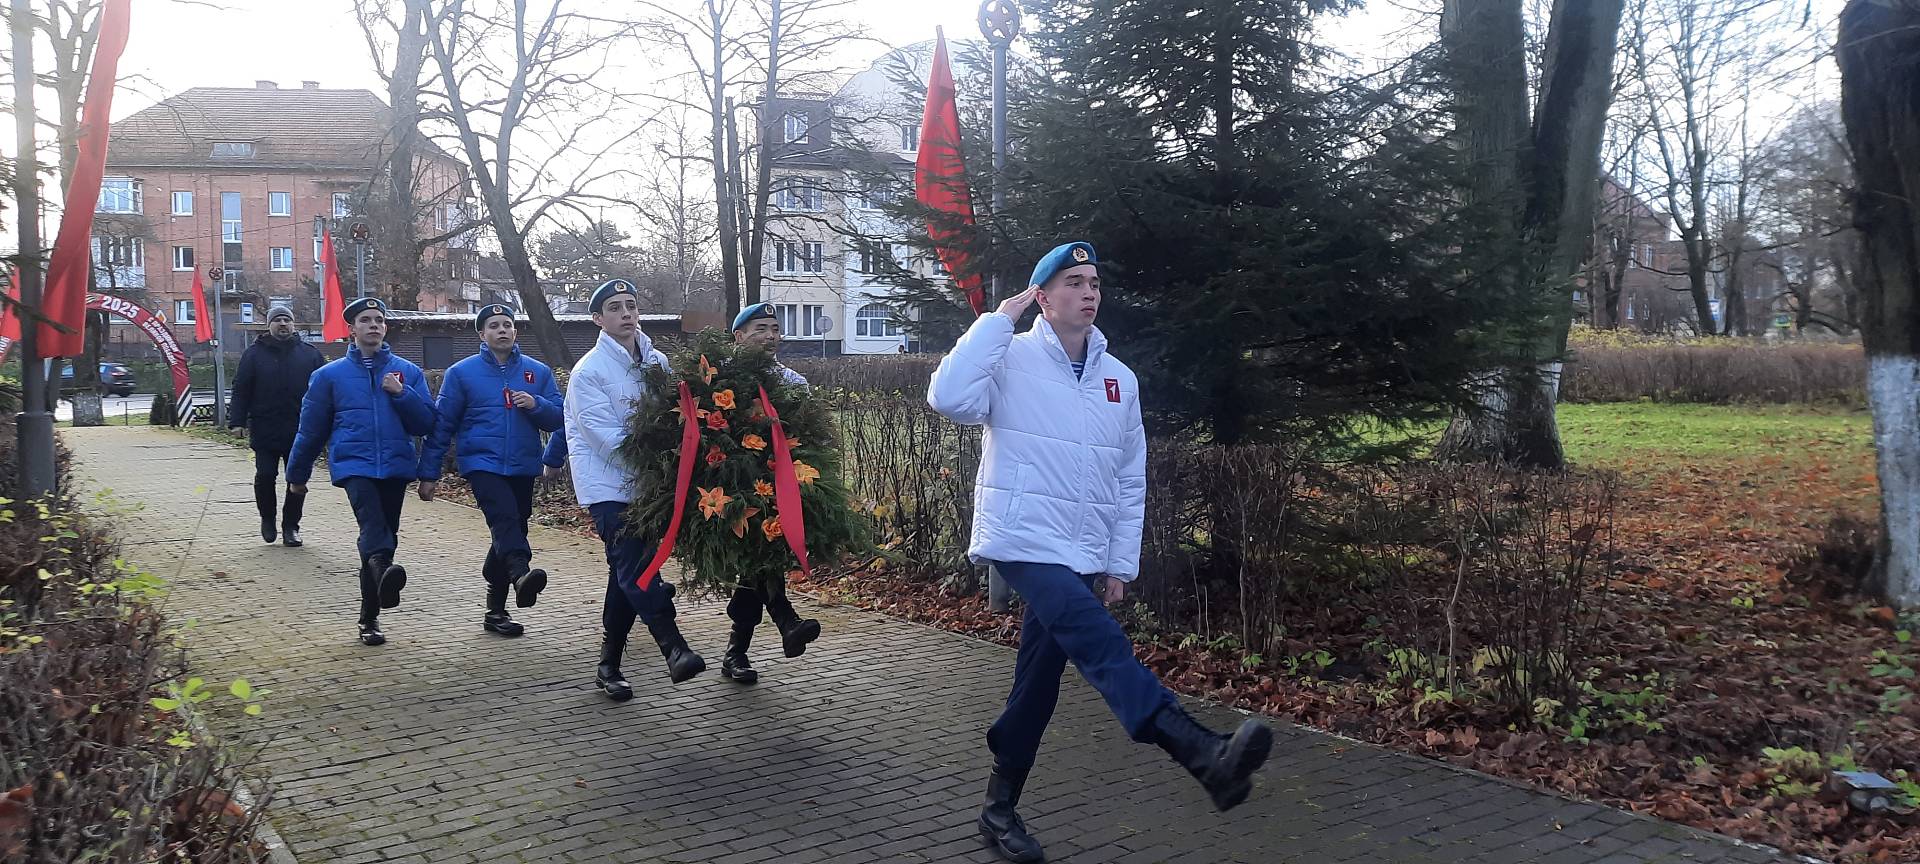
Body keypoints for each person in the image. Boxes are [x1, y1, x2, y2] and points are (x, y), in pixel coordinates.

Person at [928, 242, 1274, 863]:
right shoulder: (1008, 356)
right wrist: (997, 321)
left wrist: (1118, 560)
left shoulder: (1120, 379)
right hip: (1023, 537)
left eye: (1093, 282)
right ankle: (1198, 750)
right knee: (1100, 642)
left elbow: (1128, 476)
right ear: (1042, 296)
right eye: (1073, 281)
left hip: (1081, 549)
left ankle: (998, 811)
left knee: (1037, 686)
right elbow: (948, 399)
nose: (1089, 292)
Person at [567, 278, 705, 698]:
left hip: (649, 485)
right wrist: (660, 461)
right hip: (609, 487)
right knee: (638, 568)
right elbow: (605, 438)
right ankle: (674, 647)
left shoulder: (656, 360)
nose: (626, 313)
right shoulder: (588, 372)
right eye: (614, 308)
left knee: (624, 576)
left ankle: (608, 665)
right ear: (598, 319)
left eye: (630, 305)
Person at [287, 297, 437, 647]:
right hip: (354, 465)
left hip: (396, 465)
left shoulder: (407, 372)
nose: (374, 325)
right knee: (372, 528)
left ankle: (370, 616)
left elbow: (425, 423)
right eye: (366, 320)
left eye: (379, 320)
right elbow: (310, 431)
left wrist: (402, 394)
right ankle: (382, 575)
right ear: (351, 329)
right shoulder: (329, 376)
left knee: (383, 538)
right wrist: (297, 474)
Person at [417, 304, 564, 637]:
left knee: (512, 528)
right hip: (481, 462)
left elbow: (559, 418)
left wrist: (536, 405)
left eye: (507, 324)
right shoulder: (461, 373)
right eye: (494, 326)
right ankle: (521, 573)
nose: (502, 330)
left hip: (523, 464)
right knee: (505, 519)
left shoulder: (537, 372)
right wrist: (429, 473)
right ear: (482, 334)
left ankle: (495, 612)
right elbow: (442, 425)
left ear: (515, 331)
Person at [717, 302, 822, 685]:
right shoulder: (721, 381)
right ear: (739, 336)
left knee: (758, 564)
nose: (770, 336)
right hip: (733, 491)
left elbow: (809, 436)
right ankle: (784, 620)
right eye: (760, 329)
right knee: (759, 560)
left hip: (779, 486)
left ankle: (738, 653)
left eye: (775, 329)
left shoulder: (794, 382)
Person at [228, 304, 324, 547]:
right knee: (265, 475)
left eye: (287, 320)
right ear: (269, 325)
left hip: (300, 430)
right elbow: (241, 389)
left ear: (293, 325)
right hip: (265, 428)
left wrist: (326, 424)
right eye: (277, 320)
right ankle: (267, 518)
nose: (283, 324)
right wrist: (237, 421)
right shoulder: (253, 354)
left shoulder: (310, 354)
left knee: (297, 480)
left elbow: (324, 391)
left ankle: (291, 526)